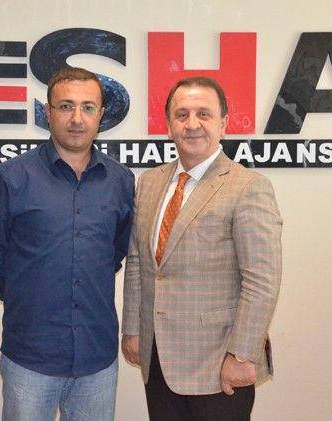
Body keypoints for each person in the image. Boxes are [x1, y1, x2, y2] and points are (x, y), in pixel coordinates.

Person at [0, 67, 134, 421]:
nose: (77, 118)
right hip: (31, 353)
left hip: (96, 355)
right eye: (66, 106)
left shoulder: (121, 181)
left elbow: (116, 249)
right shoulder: (11, 177)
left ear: (101, 114)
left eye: (88, 107)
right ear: (48, 112)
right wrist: (23, 290)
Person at [121, 76, 282, 421]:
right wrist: (133, 328)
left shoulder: (248, 187)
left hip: (218, 364)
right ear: (169, 126)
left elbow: (262, 282)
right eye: (181, 115)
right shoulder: (149, 182)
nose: (192, 124)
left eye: (203, 114)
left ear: (223, 123)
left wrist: (241, 355)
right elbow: (137, 262)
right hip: (158, 358)